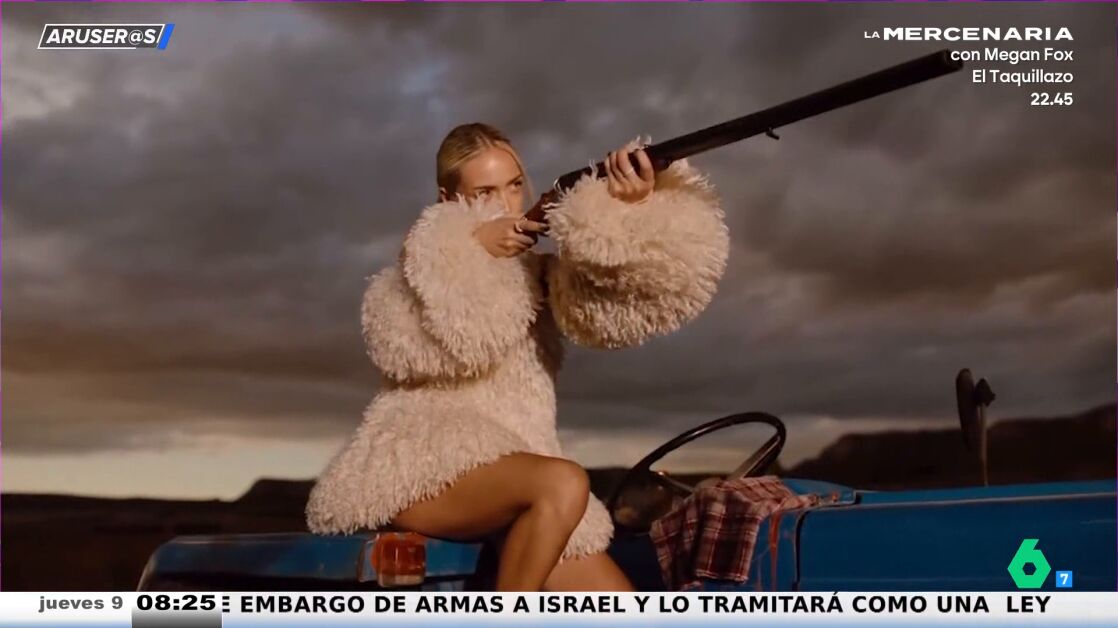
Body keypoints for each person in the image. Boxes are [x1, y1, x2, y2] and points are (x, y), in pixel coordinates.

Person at [305, 122, 729, 591]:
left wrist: (628, 210)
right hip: (422, 470)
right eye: (484, 192)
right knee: (564, 482)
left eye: (513, 185)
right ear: (449, 199)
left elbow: (619, 303)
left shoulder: (539, 275)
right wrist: (472, 250)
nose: (506, 204)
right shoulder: (414, 273)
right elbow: (433, 345)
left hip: (525, 482)